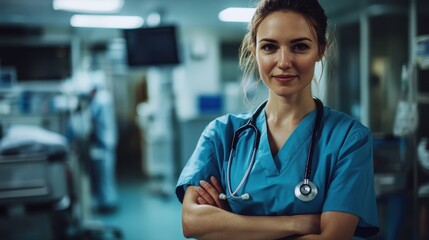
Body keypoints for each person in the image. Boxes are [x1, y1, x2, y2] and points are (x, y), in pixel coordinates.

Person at [175, 0, 380, 239]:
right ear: (254, 50)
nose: (284, 62)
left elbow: (331, 237)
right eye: (270, 47)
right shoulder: (222, 134)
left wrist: (229, 226)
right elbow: (192, 222)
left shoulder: (349, 139)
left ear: (320, 49)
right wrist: (299, 224)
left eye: (300, 47)